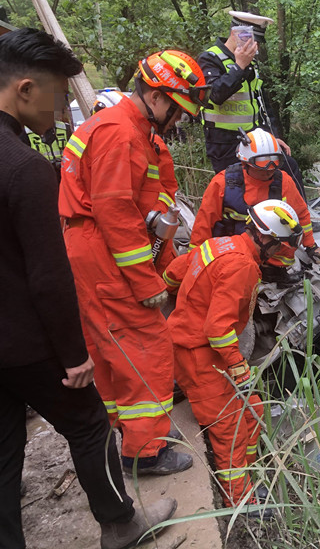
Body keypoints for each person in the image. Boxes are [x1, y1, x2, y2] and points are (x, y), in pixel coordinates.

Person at [0, 27, 175, 549]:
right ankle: (120, 522)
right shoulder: (25, 168)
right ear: (26, 88)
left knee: (6, 456)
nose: (59, 111)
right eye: (56, 95)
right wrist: (75, 356)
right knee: (89, 422)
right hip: (26, 340)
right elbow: (50, 277)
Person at [59, 49, 211, 476]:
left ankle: (131, 430)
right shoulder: (120, 133)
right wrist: (146, 282)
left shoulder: (122, 127)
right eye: (177, 110)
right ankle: (144, 453)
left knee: (110, 344)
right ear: (157, 96)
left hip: (90, 248)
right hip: (103, 251)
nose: (178, 120)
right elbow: (116, 215)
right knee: (147, 345)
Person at [163, 199, 299, 510]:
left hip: (192, 348)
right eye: (281, 246)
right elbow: (217, 328)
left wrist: (172, 294)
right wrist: (238, 367)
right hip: (199, 356)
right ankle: (241, 502)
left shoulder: (218, 244)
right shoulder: (242, 266)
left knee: (253, 409)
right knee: (230, 432)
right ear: (266, 239)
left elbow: (175, 271)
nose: (282, 253)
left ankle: (248, 476)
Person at [189, 128, 320, 284]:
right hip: (234, 251)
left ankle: (275, 272)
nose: (269, 171)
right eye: (262, 166)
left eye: (274, 164)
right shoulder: (223, 183)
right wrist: (194, 260)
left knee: (287, 226)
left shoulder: (283, 181)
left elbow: (301, 214)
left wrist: (311, 246)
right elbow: (204, 223)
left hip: (272, 256)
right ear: (245, 162)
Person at [198, 10, 305, 196]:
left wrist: (272, 137)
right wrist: (239, 67)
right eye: (249, 39)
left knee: (287, 167)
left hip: (253, 138)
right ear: (235, 34)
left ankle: (301, 219)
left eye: (256, 42)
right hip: (224, 143)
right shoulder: (210, 58)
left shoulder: (251, 64)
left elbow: (262, 105)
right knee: (236, 190)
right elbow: (214, 94)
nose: (254, 46)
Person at [91, 89, 180, 275]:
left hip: (149, 232)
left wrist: (155, 215)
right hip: (118, 238)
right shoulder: (113, 137)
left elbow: (166, 189)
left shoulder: (150, 145)